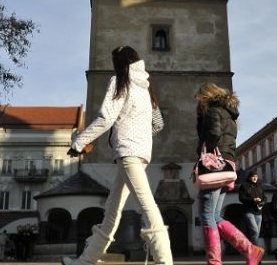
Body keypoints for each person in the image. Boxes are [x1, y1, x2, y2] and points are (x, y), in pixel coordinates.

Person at [61, 46, 172, 265]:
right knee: (112, 211)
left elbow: (105, 118)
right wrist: (140, 133)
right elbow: (158, 124)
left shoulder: (119, 82)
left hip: (127, 153)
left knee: (147, 207)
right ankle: (85, 262)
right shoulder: (147, 90)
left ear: (118, 64)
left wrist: (79, 142)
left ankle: (164, 262)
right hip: (139, 154)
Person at [196, 83, 264, 265]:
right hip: (227, 167)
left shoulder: (212, 112)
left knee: (206, 214)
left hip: (215, 167)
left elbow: (213, 134)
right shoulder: (230, 115)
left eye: (199, 99)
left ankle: (215, 262)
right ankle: (251, 250)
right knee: (215, 215)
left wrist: (206, 154)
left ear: (206, 98)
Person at [238, 170, 266, 246]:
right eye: (253, 176)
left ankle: (251, 249)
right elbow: (241, 198)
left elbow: (265, 198)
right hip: (249, 211)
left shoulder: (260, 186)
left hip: (258, 212)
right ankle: (256, 250)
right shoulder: (244, 185)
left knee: (256, 233)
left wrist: (262, 202)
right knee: (255, 231)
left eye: (256, 176)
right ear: (250, 177)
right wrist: (253, 200)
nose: (255, 178)